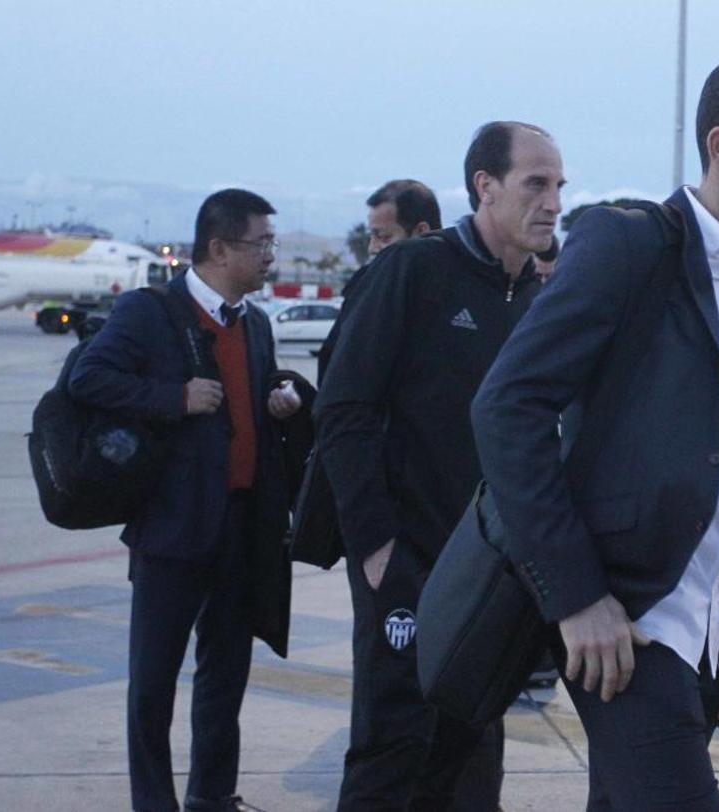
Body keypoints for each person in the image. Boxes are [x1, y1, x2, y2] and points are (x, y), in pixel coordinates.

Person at [471, 53, 719, 810]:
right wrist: (576, 597)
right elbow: (508, 406)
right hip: (628, 626)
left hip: (714, 636)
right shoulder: (630, 245)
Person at [315, 121, 562, 811]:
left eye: (558, 186)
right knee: (394, 754)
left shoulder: (537, 299)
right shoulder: (413, 271)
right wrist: (376, 549)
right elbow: (343, 408)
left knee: (473, 756)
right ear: (485, 186)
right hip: (410, 564)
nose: (552, 202)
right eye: (535, 184)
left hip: (493, 574)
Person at [69, 188, 303, 812]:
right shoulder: (151, 313)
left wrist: (278, 400)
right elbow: (88, 379)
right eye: (262, 244)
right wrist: (174, 397)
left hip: (240, 526)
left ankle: (212, 797)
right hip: (172, 529)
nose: (270, 256)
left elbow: (249, 402)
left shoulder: (254, 322)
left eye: (273, 243)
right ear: (219, 248)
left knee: (226, 677)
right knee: (153, 684)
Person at [317, 179, 442, 386]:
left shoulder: (462, 290)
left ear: (421, 231)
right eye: (372, 236)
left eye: (383, 237)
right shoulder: (366, 286)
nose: (372, 248)